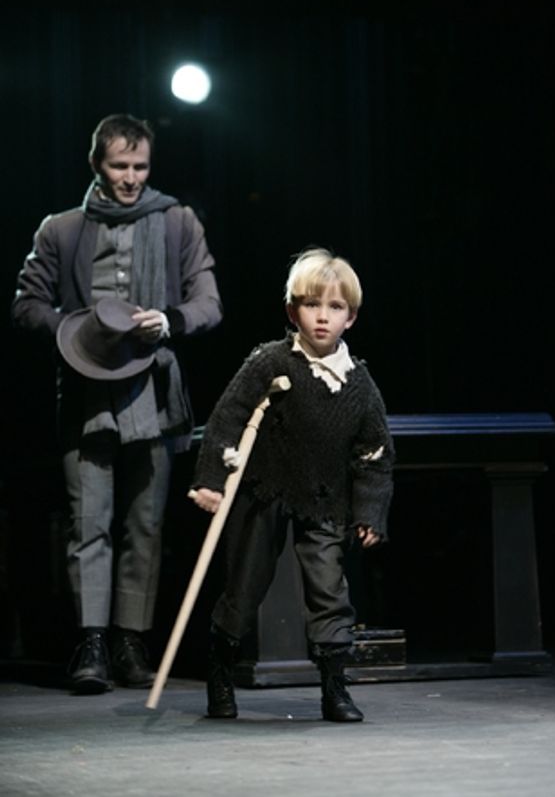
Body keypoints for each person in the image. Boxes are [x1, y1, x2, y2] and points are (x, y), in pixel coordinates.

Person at [11, 113, 223, 694]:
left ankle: (131, 640)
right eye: (118, 166)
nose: (130, 177)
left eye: (139, 166)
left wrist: (170, 319)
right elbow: (26, 303)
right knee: (89, 521)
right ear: (96, 166)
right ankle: (93, 644)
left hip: (152, 389)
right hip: (86, 390)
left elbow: (208, 301)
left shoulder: (177, 222)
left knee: (146, 522)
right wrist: (75, 332)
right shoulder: (63, 229)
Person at [188, 247, 394, 722]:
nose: (322, 317)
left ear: (352, 318)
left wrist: (369, 513)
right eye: (311, 305)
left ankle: (334, 687)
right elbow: (228, 418)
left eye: (335, 307)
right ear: (292, 310)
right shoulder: (270, 361)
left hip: (325, 500)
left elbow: (375, 454)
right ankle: (221, 672)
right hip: (266, 490)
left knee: (329, 590)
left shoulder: (359, 384)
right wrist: (212, 481)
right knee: (245, 587)